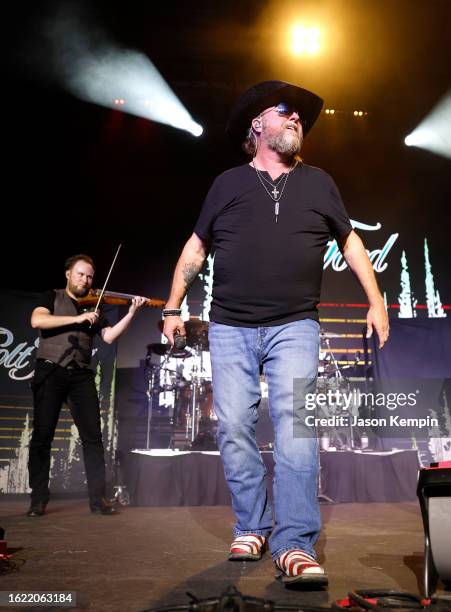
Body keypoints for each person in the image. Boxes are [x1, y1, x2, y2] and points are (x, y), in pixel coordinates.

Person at [163, 81, 389, 585]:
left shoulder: (319, 182)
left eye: (301, 117)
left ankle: (294, 542)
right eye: (284, 111)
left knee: (294, 428)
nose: (295, 120)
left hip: (295, 325)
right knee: (235, 428)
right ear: (256, 126)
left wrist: (376, 300)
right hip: (230, 325)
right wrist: (172, 306)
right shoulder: (226, 185)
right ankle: (252, 525)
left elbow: (351, 244)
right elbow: (195, 249)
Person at [27, 254, 147, 517]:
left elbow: (109, 336)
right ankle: (38, 499)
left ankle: (98, 499)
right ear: (68, 274)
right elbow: (38, 321)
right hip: (50, 370)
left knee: (93, 439)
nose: (85, 280)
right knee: (42, 438)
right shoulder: (51, 296)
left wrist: (131, 313)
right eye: (80, 274)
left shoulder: (95, 306)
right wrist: (78, 319)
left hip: (80, 374)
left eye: (90, 276)